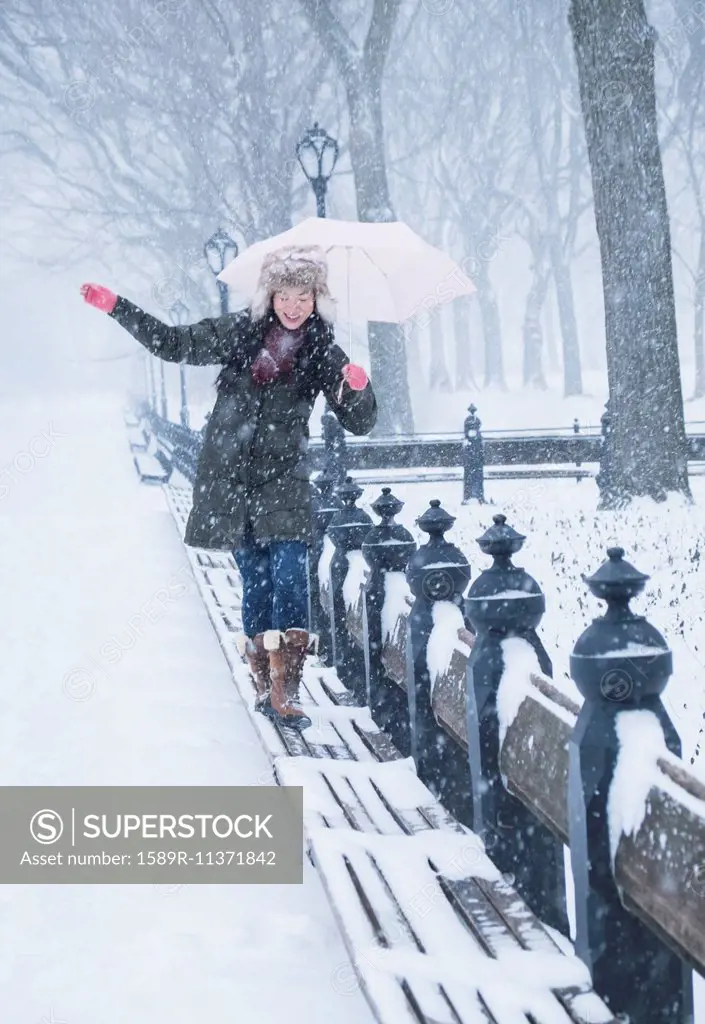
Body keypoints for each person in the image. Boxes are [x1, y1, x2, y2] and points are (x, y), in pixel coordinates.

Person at [80, 245, 377, 730]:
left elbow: (360, 421)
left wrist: (356, 387)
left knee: (288, 573)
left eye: (305, 295)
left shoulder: (322, 348)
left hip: (284, 481)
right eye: (287, 294)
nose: (295, 306)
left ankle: (286, 689)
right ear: (271, 294)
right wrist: (117, 306)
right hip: (230, 481)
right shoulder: (241, 332)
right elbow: (173, 343)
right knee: (257, 584)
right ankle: (264, 682)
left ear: (316, 298)